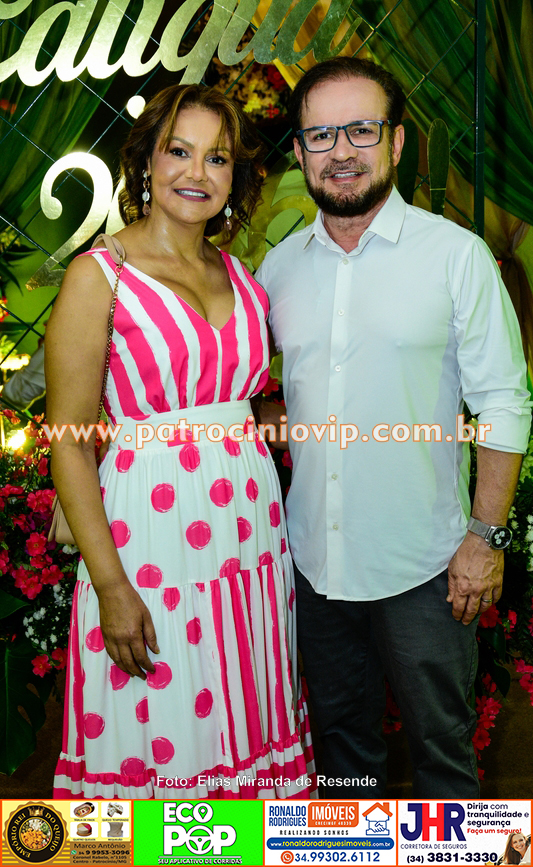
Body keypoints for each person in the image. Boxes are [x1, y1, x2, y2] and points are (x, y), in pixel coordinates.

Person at [255, 57, 532, 797]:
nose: (341, 151)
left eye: (361, 129)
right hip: (314, 563)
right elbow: (237, 389)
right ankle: (356, 848)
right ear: (299, 152)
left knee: (444, 752)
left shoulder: (455, 257)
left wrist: (484, 539)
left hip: (428, 567)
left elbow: (504, 403)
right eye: (321, 135)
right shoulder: (278, 270)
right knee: (342, 755)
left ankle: (455, 849)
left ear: (396, 142)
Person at [46, 83, 315, 799]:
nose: (197, 173)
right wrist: (111, 586)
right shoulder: (98, 277)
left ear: (235, 175)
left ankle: (250, 840)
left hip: (249, 544)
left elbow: (235, 408)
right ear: (146, 163)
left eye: (216, 158)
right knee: (164, 722)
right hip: (149, 544)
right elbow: (68, 441)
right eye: (179, 151)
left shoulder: (241, 275)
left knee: (245, 706)